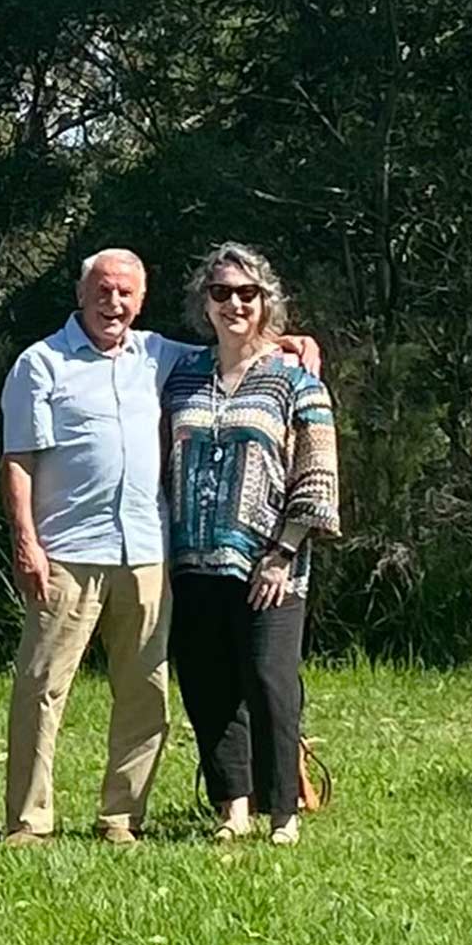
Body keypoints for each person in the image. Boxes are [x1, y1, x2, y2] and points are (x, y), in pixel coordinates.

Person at [0, 249, 316, 848]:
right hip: (67, 550)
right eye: (102, 290)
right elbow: (18, 460)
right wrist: (26, 542)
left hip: (147, 551)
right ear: (81, 292)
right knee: (41, 687)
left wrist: (291, 340)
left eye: (125, 292)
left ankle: (122, 816)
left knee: (146, 692)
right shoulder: (40, 363)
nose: (112, 302)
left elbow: (240, 346)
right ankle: (28, 821)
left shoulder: (161, 357)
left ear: (140, 301)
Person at [161, 243, 339, 847]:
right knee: (208, 686)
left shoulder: (295, 380)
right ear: (203, 304)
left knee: (270, 682)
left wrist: (284, 552)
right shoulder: (183, 374)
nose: (234, 303)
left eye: (246, 293)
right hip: (193, 559)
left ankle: (283, 811)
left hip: (271, 564)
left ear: (267, 301)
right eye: (221, 293)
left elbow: (317, 473)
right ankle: (231, 807)